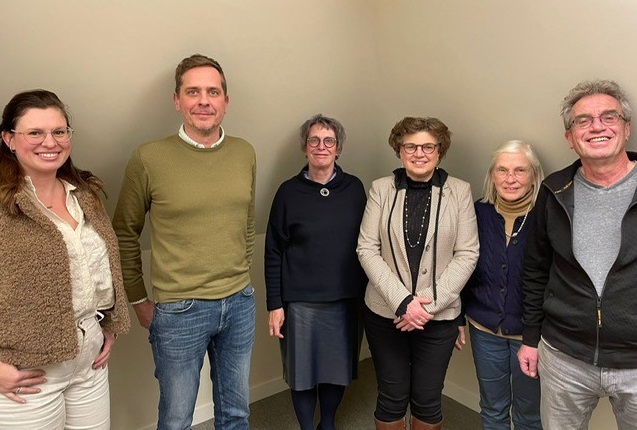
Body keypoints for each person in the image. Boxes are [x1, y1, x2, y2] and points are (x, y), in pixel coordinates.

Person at [112, 54, 256, 430]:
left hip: (239, 302)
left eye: (213, 91)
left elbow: (246, 223)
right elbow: (124, 232)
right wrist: (139, 299)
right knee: (177, 418)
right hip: (179, 310)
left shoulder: (245, 152)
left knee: (237, 413)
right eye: (193, 91)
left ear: (226, 100)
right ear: (177, 100)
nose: (203, 101)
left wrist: (243, 279)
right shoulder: (148, 158)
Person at [0, 89, 130, 429]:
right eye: (35, 132)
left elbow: (103, 269)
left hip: (89, 361)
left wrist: (108, 324)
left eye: (59, 131)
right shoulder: (3, 207)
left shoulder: (84, 194)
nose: (50, 142)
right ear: (9, 139)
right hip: (27, 370)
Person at [518, 79, 637, 429]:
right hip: (564, 356)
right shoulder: (553, 190)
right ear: (570, 137)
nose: (596, 126)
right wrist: (529, 339)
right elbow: (536, 269)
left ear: (626, 129)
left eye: (609, 117)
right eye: (582, 121)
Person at [357, 116, 479, 430]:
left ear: (440, 151)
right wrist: (402, 303)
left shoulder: (460, 192)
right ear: (399, 150)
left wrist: (423, 305)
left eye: (428, 146)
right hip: (386, 313)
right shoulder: (381, 189)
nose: (419, 153)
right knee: (391, 395)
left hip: (438, 317)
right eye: (410, 146)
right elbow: (367, 249)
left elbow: (467, 253)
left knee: (427, 398)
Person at [265, 114, 368, 430]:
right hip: (301, 302)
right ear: (305, 147)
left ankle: (329, 423)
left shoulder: (354, 189)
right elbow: (273, 251)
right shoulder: (287, 192)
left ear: (338, 149)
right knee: (303, 373)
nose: (321, 147)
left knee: (337, 370)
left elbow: (369, 245)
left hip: (346, 299)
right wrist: (275, 304)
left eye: (329, 141)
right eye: (314, 140)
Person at [462, 141, 544, 430]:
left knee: (528, 414)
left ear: (534, 175)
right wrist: (458, 315)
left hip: (532, 337)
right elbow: (463, 266)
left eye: (520, 170)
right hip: (485, 331)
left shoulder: (546, 217)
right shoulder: (478, 213)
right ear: (492, 175)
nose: (510, 179)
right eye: (503, 170)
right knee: (493, 408)